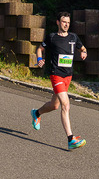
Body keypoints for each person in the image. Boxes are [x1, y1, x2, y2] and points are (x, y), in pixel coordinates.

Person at [30, 11, 88, 150]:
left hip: (68, 76)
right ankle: (70, 139)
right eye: (63, 22)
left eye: (68, 22)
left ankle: (36, 113)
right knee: (65, 105)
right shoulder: (52, 37)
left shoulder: (73, 37)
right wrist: (39, 59)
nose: (66, 25)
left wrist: (84, 52)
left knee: (54, 105)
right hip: (56, 75)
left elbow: (82, 48)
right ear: (58, 22)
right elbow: (40, 49)